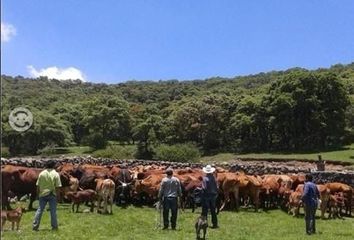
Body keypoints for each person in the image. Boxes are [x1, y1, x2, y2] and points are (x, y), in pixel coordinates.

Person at [33, 160, 62, 231]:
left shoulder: (41, 173)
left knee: (39, 210)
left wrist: (37, 194)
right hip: (52, 194)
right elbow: (58, 186)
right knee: (53, 212)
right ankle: (54, 227)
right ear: (54, 166)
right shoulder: (56, 174)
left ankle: (35, 226)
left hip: (42, 194)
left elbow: (38, 186)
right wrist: (58, 196)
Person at [201, 164, 218, 229]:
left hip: (206, 196)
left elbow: (204, 188)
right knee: (213, 210)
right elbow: (217, 187)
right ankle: (215, 224)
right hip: (213, 195)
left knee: (205, 210)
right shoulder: (214, 178)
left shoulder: (205, 179)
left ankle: (204, 224)